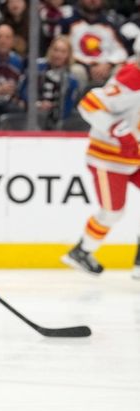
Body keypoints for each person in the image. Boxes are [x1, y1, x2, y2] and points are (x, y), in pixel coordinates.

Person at [61, 40, 140, 277]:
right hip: (110, 157)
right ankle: (82, 251)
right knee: (113, 212)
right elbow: (90, 103)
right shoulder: (132, 77)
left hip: (134, 154)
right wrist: (117, 130)